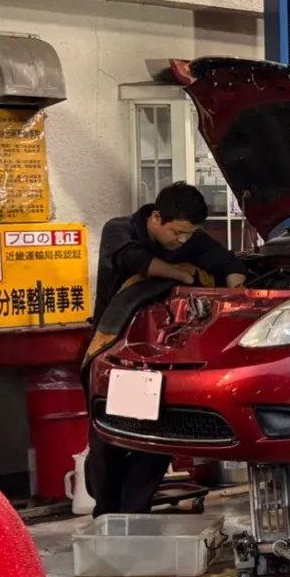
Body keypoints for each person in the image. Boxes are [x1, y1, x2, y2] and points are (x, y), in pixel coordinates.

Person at [84, 183, 246, 515]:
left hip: (163, 359)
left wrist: (236, 291)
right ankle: (107, 515)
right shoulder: (120, 229)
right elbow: (135, 260)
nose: (183, 241)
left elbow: (226, 261)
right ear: (156, 217)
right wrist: (181, 275)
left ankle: (134, 516)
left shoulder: (189, 237)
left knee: (156, 440)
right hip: (118, 355)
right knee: (111, 440)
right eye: (178, 233)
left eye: (189, 234)